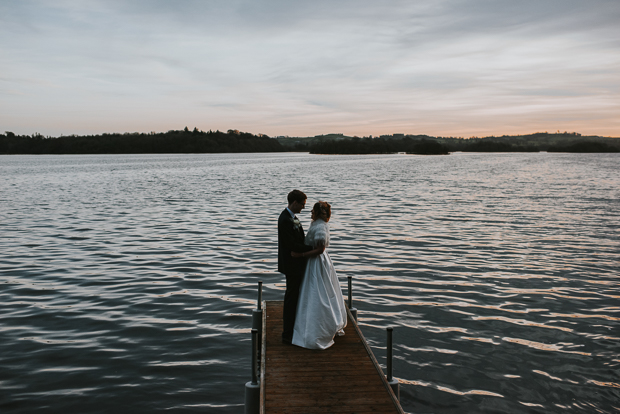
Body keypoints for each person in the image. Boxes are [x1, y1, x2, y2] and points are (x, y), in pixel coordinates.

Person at [291, 201, 347, 350]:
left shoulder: (321, 226)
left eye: (312, 210)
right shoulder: (317, 224)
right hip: (314, 262)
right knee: (316, 291)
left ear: (317, 212)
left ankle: (319, 328)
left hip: (317, 262)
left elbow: (320, 249)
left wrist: (300, 254)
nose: (310, 212)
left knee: (318, 291)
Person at [278, 190, 320, 345]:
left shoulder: (292, 218)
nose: (303, 207)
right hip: (291, 264)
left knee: (295, 297)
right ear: (294, 202)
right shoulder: (285, 220)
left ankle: (295, 329)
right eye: (302, 204)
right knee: (291, 299)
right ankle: (287, 334)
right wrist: (311, 248)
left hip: (296, 264)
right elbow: (291, 245)